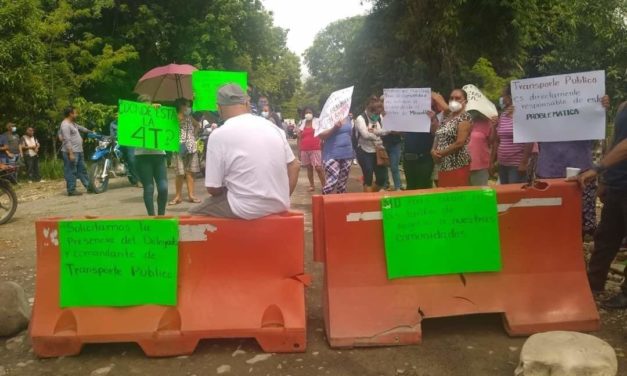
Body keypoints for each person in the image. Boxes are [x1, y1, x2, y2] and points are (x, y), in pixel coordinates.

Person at [190, 84, 300, 219]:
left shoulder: (218, 135)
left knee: (194, 215)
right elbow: (294, 165)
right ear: (247, 103)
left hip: (244, 208)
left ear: (219, 108)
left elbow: (213, 189)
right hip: (279, 204)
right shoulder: (273, 128)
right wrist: (280, 197)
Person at [536, 94, 610, 236]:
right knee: (550, 218)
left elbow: (598, 130)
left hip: (581, 173)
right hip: (548, 172)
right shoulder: (542, 115)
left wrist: (601, 109)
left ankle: (574, 252)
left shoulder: (584, 117)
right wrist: (518, 113)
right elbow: (526, 126)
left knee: (579, 221)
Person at [578, 101, 627, 309]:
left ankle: (625, 294)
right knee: (605, 237)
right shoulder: (623, 106)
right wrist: (605, 180)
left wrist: (597, 169)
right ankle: (593, 283)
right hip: (617, 183)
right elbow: (615, 143)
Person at [134, 95, 168, 216]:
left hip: (159, 154)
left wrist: (161, 110)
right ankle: (151, 216)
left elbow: (168, 124)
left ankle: (161, 215)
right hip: (142, 156)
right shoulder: (134, 116)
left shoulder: (158, 114)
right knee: (149, 188)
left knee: (163, 188)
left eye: (149, 105)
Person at [431, 89, 473, 187]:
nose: (453, 100)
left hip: (457, 165)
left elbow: (460, 143)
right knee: (445, 198)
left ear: (465, 101)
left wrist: (440, 153)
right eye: (451, 98)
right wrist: (433, 150)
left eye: (458, 98)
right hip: (443, 166)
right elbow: (438, 135)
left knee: (457, 198)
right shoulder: (447, 117)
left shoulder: (465, 117)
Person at [493, 84, 531, 185]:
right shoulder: (503, 115)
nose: (502, 99)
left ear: (510, 97)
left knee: (514, 195)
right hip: (502, 163)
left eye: (503, 96)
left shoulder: (522, 115)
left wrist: (524, 162)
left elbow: (529, 139)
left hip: (516, 164)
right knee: (505, 194)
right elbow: (497, 139)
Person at [402, 99, 442, 190]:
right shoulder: (407, 116)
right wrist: (389, 119)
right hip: (408, 159)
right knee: (410, 188)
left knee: (423, 188)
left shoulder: (433, 116)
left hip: (424, 159)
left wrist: (433, 119)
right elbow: (398, 132)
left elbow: (437, 133)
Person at [169, 98, 201, 205]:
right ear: (180, 106)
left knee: (190, 172)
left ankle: (191, 195)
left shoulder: (189, 117)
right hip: (178, 147)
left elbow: (198, 125)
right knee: (179, 173)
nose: (188, 108)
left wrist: (194, 135)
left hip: (190, 146)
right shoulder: (172, 117)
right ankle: (178, 196)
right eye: (186, 105)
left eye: (189, 105)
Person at [354, 96, 387, 192]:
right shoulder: (360, 118)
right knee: (368, 175)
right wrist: (377, 133)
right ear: (367, 108)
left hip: (378, 150)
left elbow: (386, 130)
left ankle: (370, 195)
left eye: (377, 112)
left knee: (382, 178)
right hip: (364, 150)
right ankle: (368, 202)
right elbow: (365, 134)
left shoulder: (379, 117)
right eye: (373, 111)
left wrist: (374, 132)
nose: (375, 114)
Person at [59, 106, 93, 196]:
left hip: (78, 151)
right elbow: (66, 140)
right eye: (75, 113)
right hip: (71, 152)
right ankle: (71, 190)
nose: (77, 114)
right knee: (71, 171)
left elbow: (80, 127)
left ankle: (89, 187)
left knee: (82, 170)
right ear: (71, 114)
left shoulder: (72, 123)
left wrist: (90, 132)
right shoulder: (65, 125)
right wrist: (70, 153)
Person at [319, 116, 353, 194]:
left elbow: (350, 134)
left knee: (342, 185)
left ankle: (340, 204)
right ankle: (322, 203)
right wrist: (334, 128)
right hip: (331, 154)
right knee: (332, 182)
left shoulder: (347, 118)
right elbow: (321, 135)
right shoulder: (326, 117)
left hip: (347, 154)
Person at [297, 107, 325, 192]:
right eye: (306, 113)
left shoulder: (317, 122)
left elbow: (322, 134)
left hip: (315, 148)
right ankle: (312, 185)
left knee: (318, 168)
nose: (308, 114)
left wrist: (322, 145)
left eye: (309, 112)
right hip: (304, 149)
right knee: (309, 168)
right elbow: (299, 138)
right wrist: (299, 151)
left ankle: (324, 185)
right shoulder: (302, 123)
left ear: (313, 113)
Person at [379, 95, 403, 191]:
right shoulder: (377, 115)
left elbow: (402, 131)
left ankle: (398, 186)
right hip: (382, 144)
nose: (384, 103)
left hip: (395, 144)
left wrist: (392, 131)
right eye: (382, 101)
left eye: (386, 101)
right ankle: (385, 185)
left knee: (394, 166)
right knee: (383, 166)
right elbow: (372, 128)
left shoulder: (396, 115)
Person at [109, 108, 138, 184]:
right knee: (114, 156)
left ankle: (137, 180)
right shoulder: (112, 124)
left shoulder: (128, 122)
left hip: (129, 143)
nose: (117, 115)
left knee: (131, 159)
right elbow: (112, 135)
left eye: (119, 114)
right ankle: (118, 168)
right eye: (116, 114)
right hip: (117, 144)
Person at [468, 114, 495, 186]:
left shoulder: (488, 122)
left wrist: (494, 126)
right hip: (463, 164)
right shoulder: (464, 121)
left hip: (480, 164)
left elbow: (492, 142)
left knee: (480, 192)